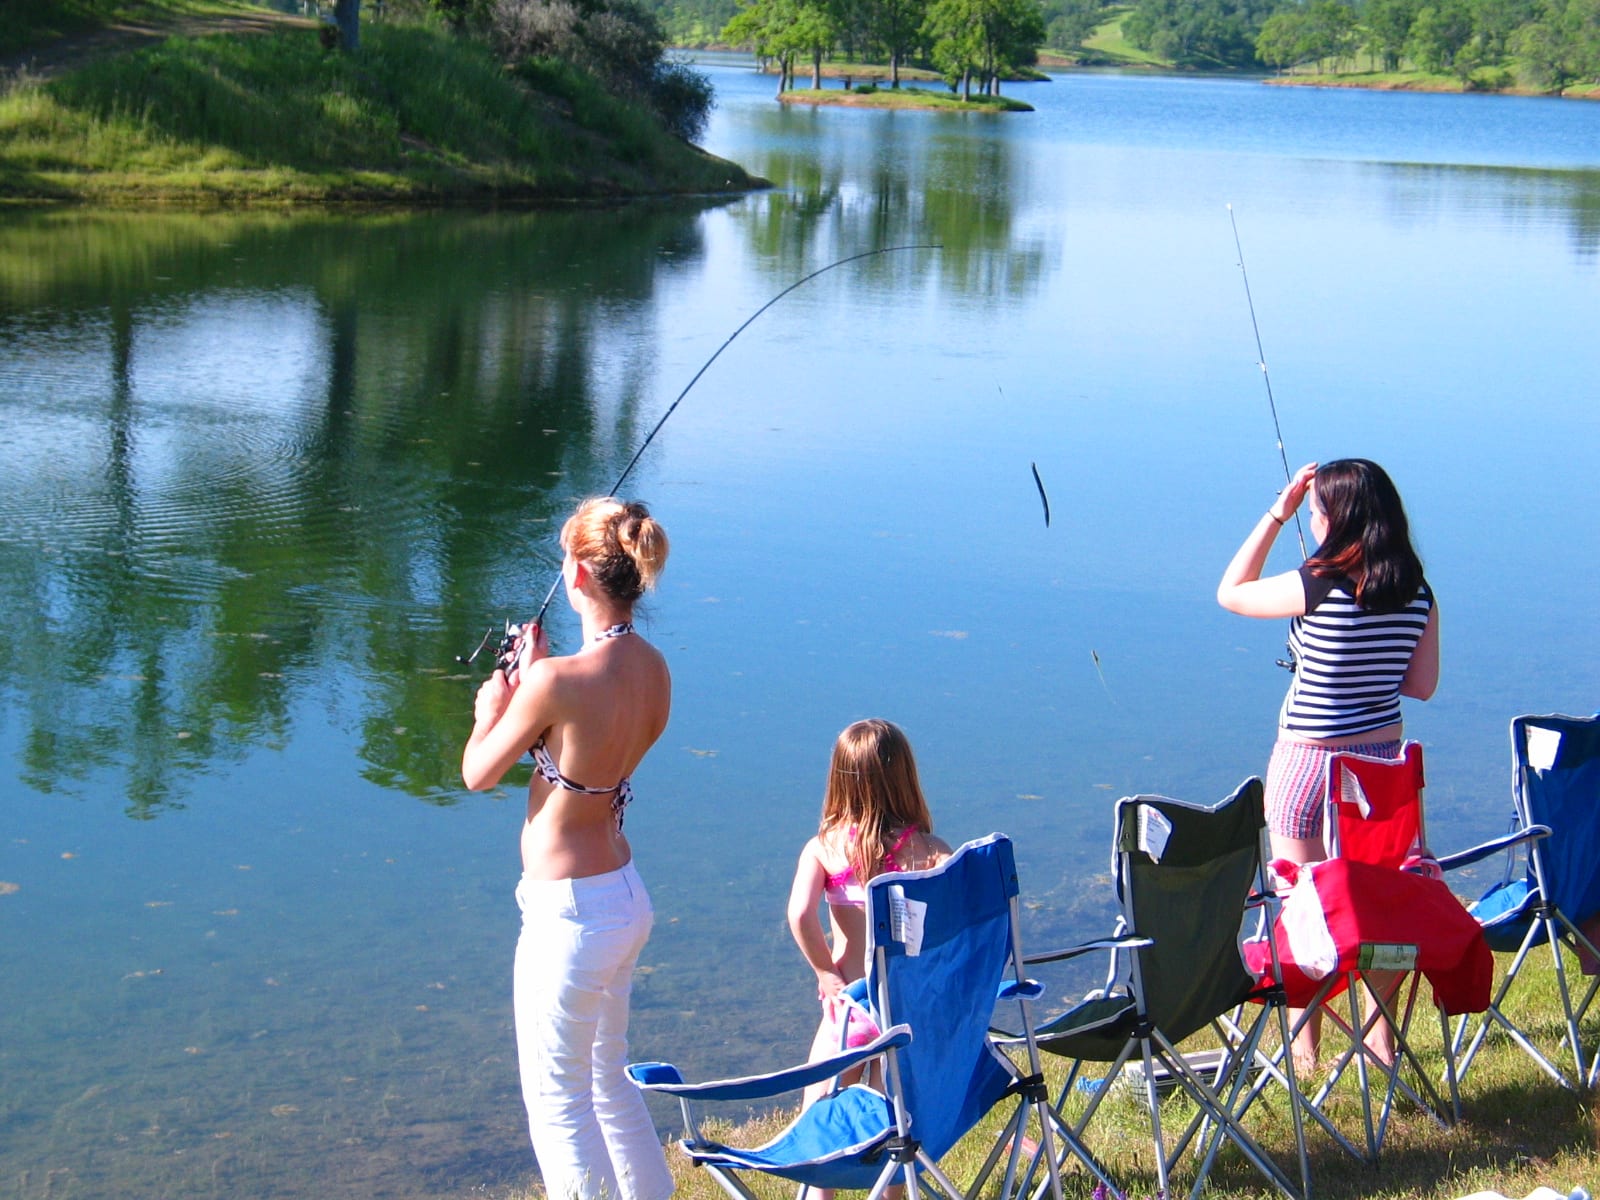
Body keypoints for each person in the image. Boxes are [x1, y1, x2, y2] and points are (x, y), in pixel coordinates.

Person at [461, 497, 674, 1200]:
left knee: (559, 1103)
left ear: (579, 573)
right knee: (608, 1082)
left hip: (571, 916)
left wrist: (493, 711)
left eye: (564, 558)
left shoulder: (555, 683)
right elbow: (588, 736)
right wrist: (537, 686)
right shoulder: (654, 670)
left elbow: (477, 772)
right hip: (622, 897)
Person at [1217, 458, 1440, 1072]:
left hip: (1308, 766)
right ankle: (1380, 1043)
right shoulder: (1417, 591)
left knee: (1302, 905)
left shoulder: (1316, 582)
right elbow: (1421, 685)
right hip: (1382, 771)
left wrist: (1276, 513)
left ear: (1336, 519)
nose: (1311, 521)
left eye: (1315, 512)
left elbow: (1231, 591)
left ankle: (1306, 1050)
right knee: (1377, 903)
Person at [786, 719, 952, 1111]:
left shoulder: (824, 848)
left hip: (851, 1001)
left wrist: (825, 972)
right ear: (906, 778)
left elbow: (800, 914)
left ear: (839, 780)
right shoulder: (931, 851)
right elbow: (951, 922)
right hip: (906, 1005)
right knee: (890, 1117)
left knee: (820, 1111)